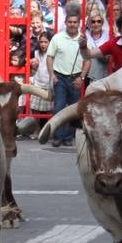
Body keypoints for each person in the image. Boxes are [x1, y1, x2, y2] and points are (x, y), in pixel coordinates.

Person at [45, 9, 83, 146]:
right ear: (66, 23)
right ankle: (58, 136)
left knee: (73, 109)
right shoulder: (57, 37)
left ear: (79, 23)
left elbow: (88, 60)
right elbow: (50, 57)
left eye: (75, 22)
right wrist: (52, 75)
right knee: (59, 108)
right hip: (59, 77)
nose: (72, 24)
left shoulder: (83, 39)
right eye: (70, 22)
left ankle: (68, 137)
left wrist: (82, 77)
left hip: (76, 77)